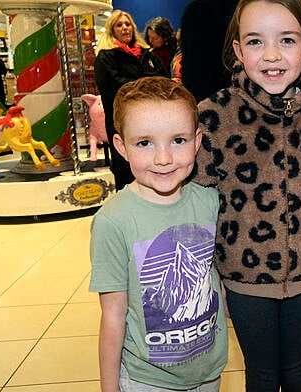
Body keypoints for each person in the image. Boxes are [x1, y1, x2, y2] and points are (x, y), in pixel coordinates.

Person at [193, 0, 301, 390]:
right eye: (256, 42)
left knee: (299, 372)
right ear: (238, 51)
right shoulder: (213, 115)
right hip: (244, 279)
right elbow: (199, 209)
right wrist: (213, 281)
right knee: (260, 374)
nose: (273, 55)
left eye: (287, 40)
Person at [89, 76, 228, 392]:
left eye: (178, 140)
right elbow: (113, 316)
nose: (163, 158)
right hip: (147, 380)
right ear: (121, 147)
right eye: (145, 143)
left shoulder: (209, 201)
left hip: (208, 371)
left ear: (197, 140)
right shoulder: (113, 221)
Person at [95, 10, 166, 190]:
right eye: (119, 25)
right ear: (112, 30)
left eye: (127, 24)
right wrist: (145, 85)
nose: (124, 28)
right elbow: (113, 87)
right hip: (123, 122)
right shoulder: (106, 56)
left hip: (153, 119)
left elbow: (163, 77)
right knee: (126, 165)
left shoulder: (146, 54)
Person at [180, 0, 239, 102]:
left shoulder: (194, 10)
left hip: (202, 96)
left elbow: (189, 65)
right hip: (236, 94)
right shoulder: (242, 8)